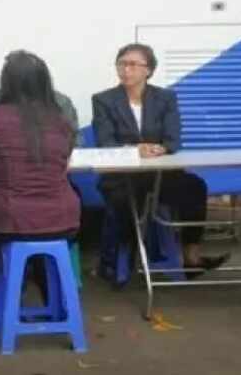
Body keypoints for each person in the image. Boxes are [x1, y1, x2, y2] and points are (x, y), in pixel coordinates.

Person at [0, 50, 81, 328]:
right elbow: (62, 168)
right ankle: (56, 304)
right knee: (38, 230)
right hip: (64, 220)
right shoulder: (63, 121)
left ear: (5, 82)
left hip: (8, 220)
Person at [91, 43, 228, 277]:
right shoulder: (104, 100)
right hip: (122, 177)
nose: (126, 70)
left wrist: (159, 149)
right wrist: (135, 150)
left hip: (160, 174)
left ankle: (191, 256)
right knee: (123, 200)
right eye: (121, 64)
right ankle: (118, 261)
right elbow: (105, 142)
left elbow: (173, 140)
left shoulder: (165, 98)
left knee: (195, 187)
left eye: (133, 64)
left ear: (148, 70)